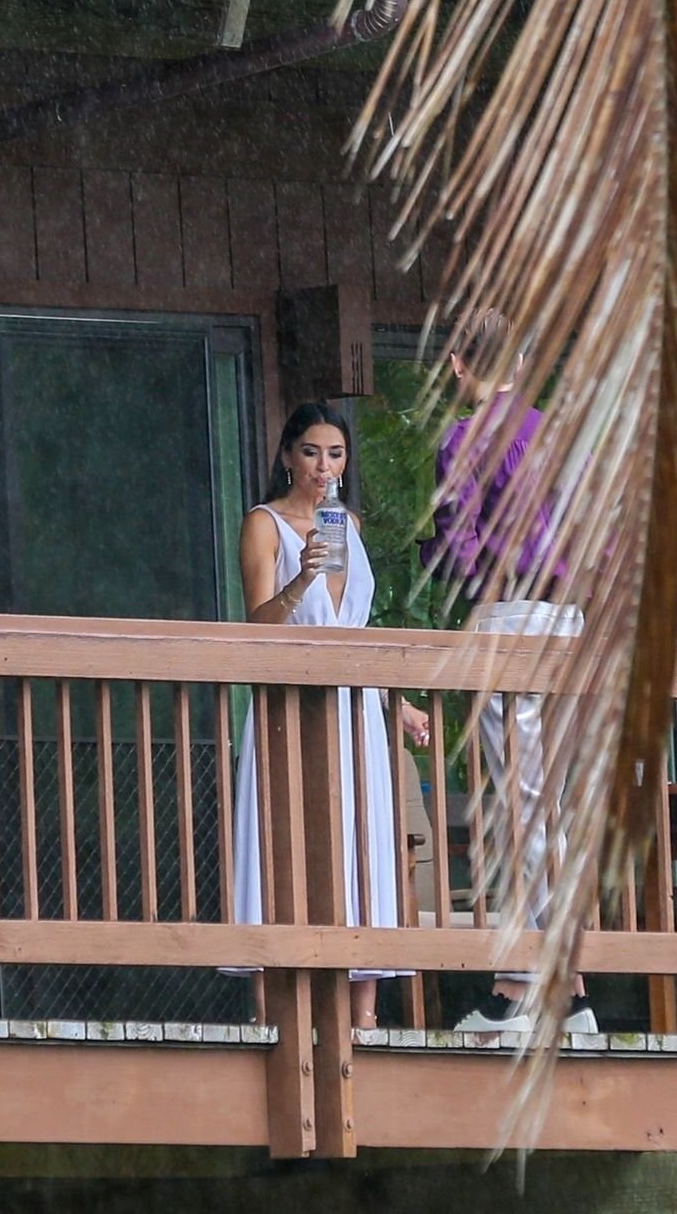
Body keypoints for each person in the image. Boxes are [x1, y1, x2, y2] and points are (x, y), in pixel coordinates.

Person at [418, 308, 593, 1035]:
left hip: (511, 617)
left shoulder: (464, 439)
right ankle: (561, 986)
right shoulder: (554, 433)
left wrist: (447, 570)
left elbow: (460, 544)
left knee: (521, 804)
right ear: (520, 364)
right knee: (547, 803)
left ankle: (532, 987)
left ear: (460, 364)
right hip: (566, 621)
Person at [229, 401, 431, 1030]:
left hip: (354, 707)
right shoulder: (265, 524)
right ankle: (273, 1014)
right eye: (312, 452)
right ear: (288, 456)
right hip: (291, 703)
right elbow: (257, 627)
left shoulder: (348, 524)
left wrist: (397, 705)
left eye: (336, 454)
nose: (324, 466)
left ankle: (362, 1014)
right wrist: (299, 581)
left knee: (359, 838)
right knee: (283, 837)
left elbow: (351, 635)